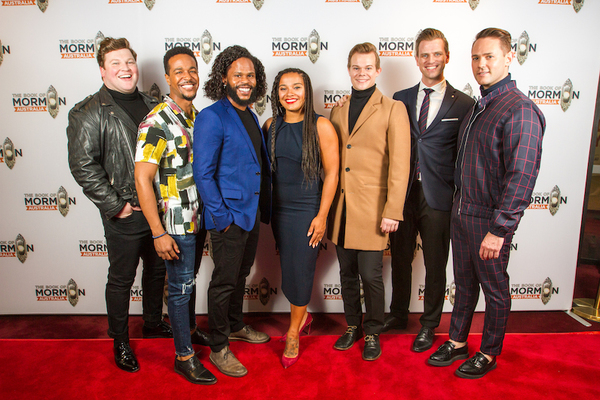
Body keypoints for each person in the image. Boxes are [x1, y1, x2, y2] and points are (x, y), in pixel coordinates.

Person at [428, 28, 545, 379]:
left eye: (489, 56)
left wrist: (499, 229)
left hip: (489, 222)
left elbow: (521, 177)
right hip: (462, 214)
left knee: (494, 291)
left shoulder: (520, 110)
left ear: (509, 58)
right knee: (463, 286)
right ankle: (459, 341)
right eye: (476, 57)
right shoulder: (482, 103)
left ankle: (490, 352)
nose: (481, 64)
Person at [66, 37, 172, 373]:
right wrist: (117, 206)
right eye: (116, 63)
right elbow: (83, 166)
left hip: (158, 210)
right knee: (122, 279)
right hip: (125, 214)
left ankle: (153, 323)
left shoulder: (154, 103)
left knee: (157, 273)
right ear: (102, 71)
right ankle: (120, 340)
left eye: (129, 62)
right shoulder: (87, 112)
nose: (125, 69)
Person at [385, 29, 475, 353]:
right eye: (425, 54)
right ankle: (397, 315)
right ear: (416, 58)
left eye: (437, 54)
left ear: (447, 57)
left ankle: (428, 325)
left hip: (439, 196)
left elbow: (466, 153)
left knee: (437, 264)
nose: (431, 60)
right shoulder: (400, 98)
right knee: (400, 259)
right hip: (403, 193)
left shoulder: (465, 103)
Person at [134, 46, 216, 385]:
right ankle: (183, 356)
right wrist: (157, 232)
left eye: (192, 69)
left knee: (189, 282)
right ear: (167, 78)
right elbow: (142, 178)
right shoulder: (156, 120)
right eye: (179, 71)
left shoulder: (197, 116)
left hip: (197, 220)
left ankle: (191, 331)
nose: (188, 76)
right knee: (180, 289)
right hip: (174, 224)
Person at [328, 42, 410, 361]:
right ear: (349, 70)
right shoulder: (338, 108)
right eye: (355, 67)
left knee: (371, 276)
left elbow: (400, 166)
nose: (361, 73)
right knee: (346, 273)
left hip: (374, 210)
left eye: (367, 68)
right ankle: (352, 326)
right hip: (342, 210)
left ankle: (373, 331)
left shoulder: (393, 109)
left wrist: (393, 211)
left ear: (378, 70)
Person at [193, 45, 271, 378]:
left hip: (249, 213)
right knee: (224, 282)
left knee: (240, 276)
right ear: (223, 77)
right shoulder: (212, 116)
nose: (245, 80)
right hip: (228, 217)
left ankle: (237, 325)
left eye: (250, 75)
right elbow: (203, 173)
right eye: (238, 74)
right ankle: (219, 346)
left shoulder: (250, 114)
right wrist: (221, 218)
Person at [262, 68, 339, 368]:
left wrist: (322, 215)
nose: (289, 93)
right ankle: (303, 316)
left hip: (307, 209)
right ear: (276, 94)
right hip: (279, 211)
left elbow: (332, 174)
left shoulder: (321, 126)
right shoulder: (270, 125)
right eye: (283, 88)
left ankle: (293, 332)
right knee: (289, 267)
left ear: (307, 90)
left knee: (300, 270)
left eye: (296, 86)